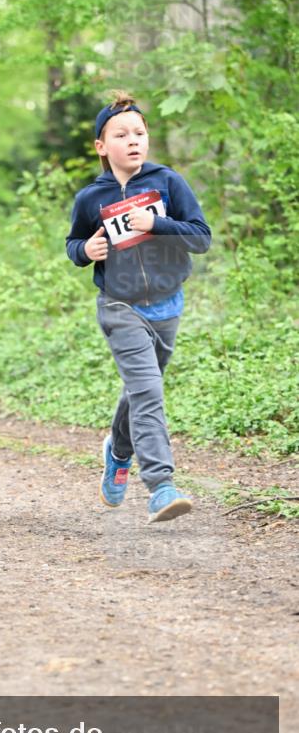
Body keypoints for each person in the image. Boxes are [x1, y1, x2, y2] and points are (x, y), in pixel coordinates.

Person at [65, 91, 211, 523]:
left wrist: (157, 224)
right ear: (101, 146)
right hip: (118, 305)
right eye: (122, 134)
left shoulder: (168, 182)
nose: (134, 141)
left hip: (168, 304)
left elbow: (201, 237)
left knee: (139, 391)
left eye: (140, 133)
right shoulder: (90, 198)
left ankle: (118, 449)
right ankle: (161, 486)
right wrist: (85, 250)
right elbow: (74, 243)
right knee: (149, 392)